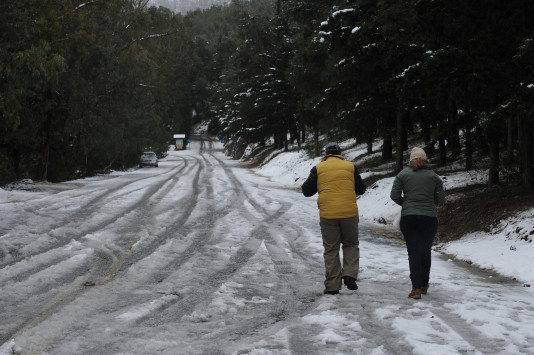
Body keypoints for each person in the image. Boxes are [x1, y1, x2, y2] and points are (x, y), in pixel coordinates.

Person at [302, 143, 366, 295]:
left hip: (328, 215)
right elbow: (361, 189)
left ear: (325, 154)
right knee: (350, 244)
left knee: (331, 249)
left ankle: (332, 286)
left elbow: (306, 191)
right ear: (340, 153)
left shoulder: (318, 168)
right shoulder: (350, 166)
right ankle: (349, 275)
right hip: (349, 214)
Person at [390, 147, 445, 300]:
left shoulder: (403, 174)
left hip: (409, 218)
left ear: (411, 160)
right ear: (425, 159)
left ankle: (415, 288)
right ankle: (424, 284)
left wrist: (406, 204)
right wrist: (430, 204)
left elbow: (394, 195)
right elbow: (441, 200)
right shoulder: (433, 176)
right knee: (425, 251)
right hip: (429, 218)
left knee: (413, 251)